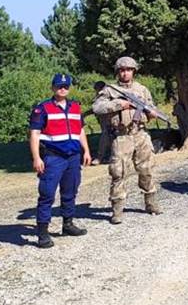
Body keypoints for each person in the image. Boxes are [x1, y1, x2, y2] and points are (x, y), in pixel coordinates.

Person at [92, 57, 163, 224]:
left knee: (146, 170)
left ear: (133, 71)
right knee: (119, 172)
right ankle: (117, 210)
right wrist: (119, 104)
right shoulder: (110, 90)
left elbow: (151, 107)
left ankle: (151, 203)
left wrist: (151, 113)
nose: (125, 73)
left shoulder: (142, 90)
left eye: (129, 70)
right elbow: (97, 107)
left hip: (140, 134)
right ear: (118, 72)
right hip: (121, 136)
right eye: (122, 70)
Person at [28, 73, 92, 248]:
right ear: (53, 87)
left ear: (69, 87)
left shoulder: (75, 107)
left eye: (65, 86)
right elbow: (34, 134)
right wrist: (36, 157)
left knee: (70, 191)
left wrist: (86, 150)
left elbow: (80, 131)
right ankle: (42, 233)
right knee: (47, 194)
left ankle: (68, 224)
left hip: (73, 157)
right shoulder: (43, 108)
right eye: (59, 86)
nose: (62, 89)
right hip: (53, 157)